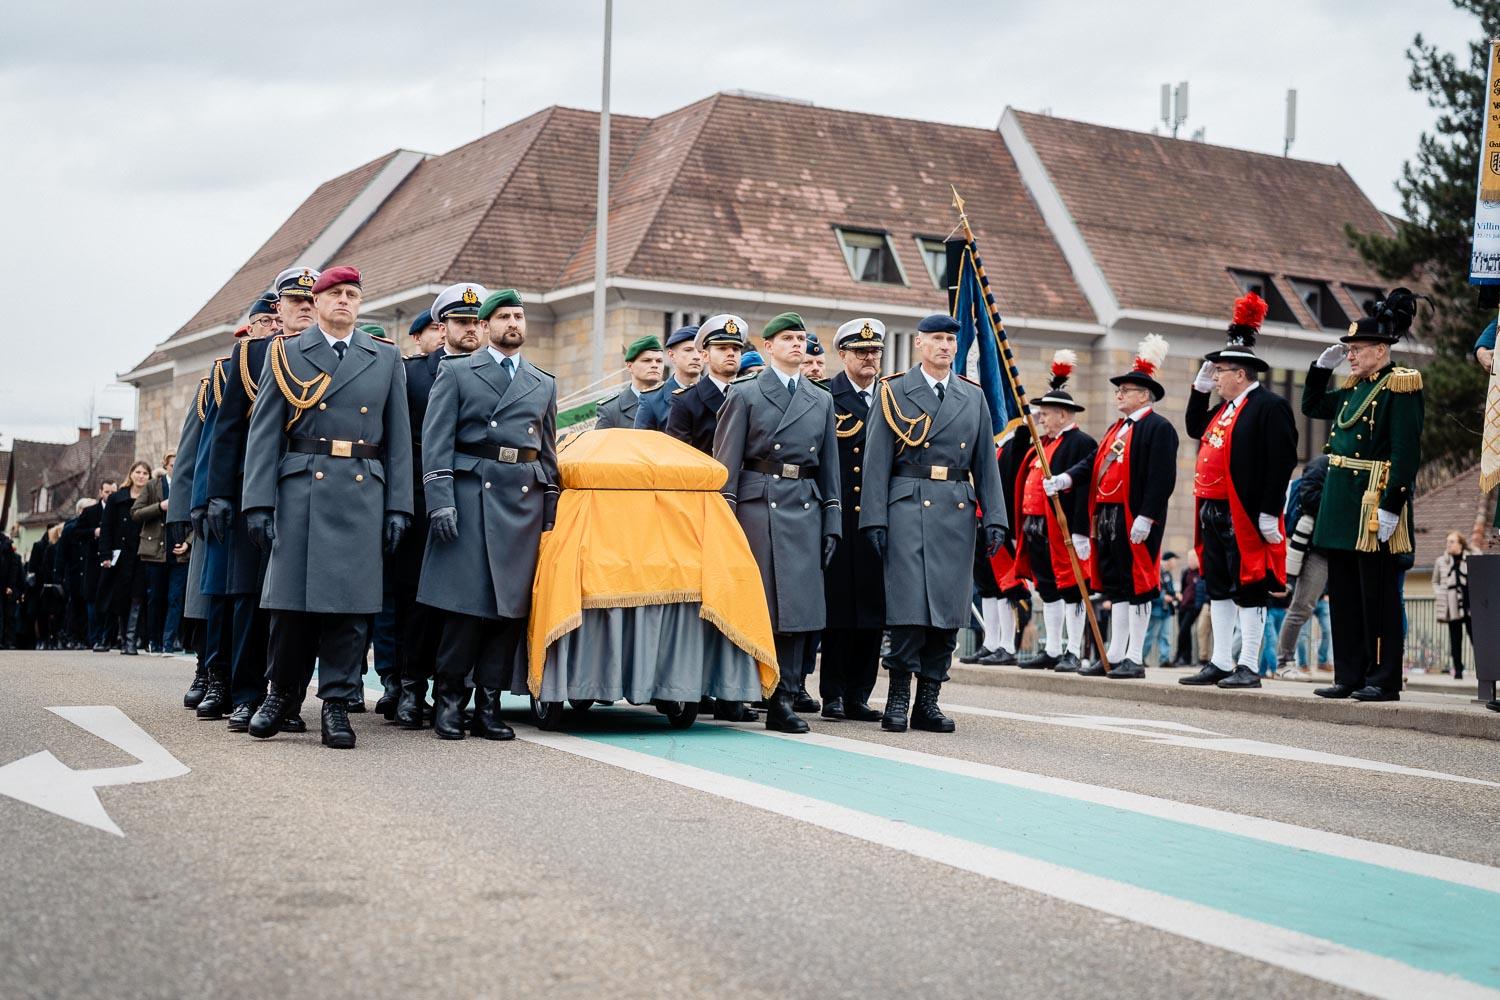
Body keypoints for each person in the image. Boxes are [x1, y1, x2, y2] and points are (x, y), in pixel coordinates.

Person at [242, 266, 414, 749]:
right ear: (315, 303)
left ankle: (337, 706)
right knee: (289, 608)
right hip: (300, 488)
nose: (344, 301)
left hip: (362, 491)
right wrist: (257, 501)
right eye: (334, 293)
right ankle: (282, 696)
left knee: (349, 610)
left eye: (352, 294)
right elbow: (265, 434)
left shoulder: (383, 358)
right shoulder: (287, 352)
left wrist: (398, 506)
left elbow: (399, 440)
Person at [411, 288, 558, 740]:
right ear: (487, 325)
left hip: (522, 502)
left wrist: (550, 514)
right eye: (504, 317)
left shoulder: (543, 381)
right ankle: (451, 701)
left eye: (519, 316)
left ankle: (490, 704)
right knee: (464, 608)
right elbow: (436, 441)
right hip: (472, 492)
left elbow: (549, 455)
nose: (513, 323)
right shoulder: (458, 372)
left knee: (507, 612)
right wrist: (441, 500)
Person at [860, 313, 1007, 732]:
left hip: (957, 511)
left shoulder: (972, 396)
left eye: (950, 340)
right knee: (908, 611)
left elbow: (985, 463)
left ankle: (928, 703)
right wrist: (874, 519)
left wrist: (995, 517)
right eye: (936, 339)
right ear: (920, 345)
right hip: (907, 507)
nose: (945, 346)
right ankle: (897, 699)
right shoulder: (894, 391)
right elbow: (876, 463)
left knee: (947, 613)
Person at [714, 311, 842, 733]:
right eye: (786, 338)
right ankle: (739, 690)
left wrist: (832, 519)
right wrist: (724, 517)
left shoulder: (821, 399)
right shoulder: (746, 393)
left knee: (798, 610)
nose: (796, 345)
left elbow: (830, 469)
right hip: (756, 505)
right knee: (758, 605)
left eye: (801, 339)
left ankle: (783, 697)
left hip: (804, 504)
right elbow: (726, 462)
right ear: (768, 347)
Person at [1302, 289, 1423, 703]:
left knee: (1379, 597)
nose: (1350, 356)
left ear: (1380, 349)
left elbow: (1405, 452)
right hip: (1341, 504)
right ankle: (1349, 674)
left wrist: (1393, 504)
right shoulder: (1354, 390)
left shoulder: (1399, 385)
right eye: (1348, 349)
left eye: (1356, 349)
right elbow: (1314, 405)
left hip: (1372, 502)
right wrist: (1321, 368)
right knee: (1346, 597)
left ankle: (1384, 678)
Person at [1179, 293, 1298, 690]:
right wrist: (1199, 389)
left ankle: (1248, 664)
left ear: (1241, 374)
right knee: (1219, 585)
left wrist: (1268, 510)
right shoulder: (1222, 408)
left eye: (1219, 372)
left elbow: (1281, 462)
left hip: (1245, 511)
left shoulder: (1269, 406)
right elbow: (1195, 426)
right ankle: (1220, 660)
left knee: (1250, 585)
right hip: (1213, 509)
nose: (1215, 377)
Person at [204, 282, 306, 731]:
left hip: (308, 491)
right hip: (255, 491)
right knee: (248, 597)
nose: (303, 308)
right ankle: (245, 695)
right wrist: (221, 494)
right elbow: (227, 432)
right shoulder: (251, 357)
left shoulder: (331, 354)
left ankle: (288, 699)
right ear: (277, 309)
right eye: (295, 302)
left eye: (310, 300)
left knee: (296, 602)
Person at [1046, 335, 1179, 678]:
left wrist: (1147, 516)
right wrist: (1065, 479)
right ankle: (1115, 655)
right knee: (1116, 586)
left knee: (1139, 586)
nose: (1119, 394)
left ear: (1144, 395)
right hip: (1107, 516)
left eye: (1127, 389)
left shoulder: (1158, 428)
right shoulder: (1116, 428)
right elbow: (1093, 462)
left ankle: (1135, 657)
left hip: (1135, 516)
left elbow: (1161, 478)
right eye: (1120, 389)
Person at [391, 282, 488, 727]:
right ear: (441, 325)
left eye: (476, 322)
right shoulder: (412, 374)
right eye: (461, 322)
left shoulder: (493, 373)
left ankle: (457, 691)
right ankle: (411, 688)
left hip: (474, 499)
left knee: (463, 602)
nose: (470, 329)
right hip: (419, 498)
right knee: (418, 601)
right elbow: (395, 441)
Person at [818, 318, 887, 721]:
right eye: (861, 352)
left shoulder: (891, 397)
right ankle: (834, 695)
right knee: (839, 610)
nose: (869, 358)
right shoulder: (827, 395)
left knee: (873, 612)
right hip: (840, 516)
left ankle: (861, 693)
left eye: (875, 351)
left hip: (876, 519)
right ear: (842, 355)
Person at [1013, 351, 1095, 672]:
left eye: (1046, 414)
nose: (1041, 419)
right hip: (1036, 525)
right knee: (1047, 589)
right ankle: (1052, 647)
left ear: (1063, 414)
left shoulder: (1081, 442)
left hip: (1062, 527)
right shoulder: (1040, 443)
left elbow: (1085, 488)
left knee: (1071, 589)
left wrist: (1080, 530)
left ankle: (1072, 650)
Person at [1275, 454, 1330, 679]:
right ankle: (1284, 661)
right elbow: (1310, 501)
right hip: (1318, 548)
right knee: (1301, 606)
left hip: (1339, 548)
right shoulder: (1321, 464)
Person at [665, 315, 744, 456]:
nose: (731, 353)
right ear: (705, 356)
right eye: (722, 348)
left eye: (736, 349)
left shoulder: (752, 395)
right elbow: (679, 456)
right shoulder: (686, 400)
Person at [98, 461, 151, 654]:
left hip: (142, 553)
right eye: (138, 472)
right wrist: (105, 554)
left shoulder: (151, 498)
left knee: (137, 596)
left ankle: (130, 641)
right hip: (120, 554)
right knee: (121, 597)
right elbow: (107, 528)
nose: (141, 476)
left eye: (145, 473)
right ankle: (120, 638)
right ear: (131, 474)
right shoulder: (117, 498)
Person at [130, 456, 173, 654]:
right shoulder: (152, 486)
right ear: (166, 466)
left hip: (178, 551)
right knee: (155, 598)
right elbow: (136, 513)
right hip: (154, 550)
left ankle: (170, 641)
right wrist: (160, 507)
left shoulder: (186, 482)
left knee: (175, 599)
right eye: (173, 464)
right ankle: (153, 640)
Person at [635, 325, 701, 431]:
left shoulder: (717, 392)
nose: (697, 357)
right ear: (671, 356)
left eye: (700, 351)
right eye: (688, 350)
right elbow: (642, 444)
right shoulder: (652, 400)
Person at [1434, 530, 1477, 680]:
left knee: (1476, 638)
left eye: (1452, 541)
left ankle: (1482, 669)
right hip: (1452, 607)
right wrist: (1439, 593)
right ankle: (1458, 670)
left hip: (1471, 606)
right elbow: (1435, 581)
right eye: (1447, 541)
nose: (1448, 544)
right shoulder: (1441, 561)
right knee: (1455, 639)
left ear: (1460, 543)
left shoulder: (1472, 557)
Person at [595, 336, 664, 429]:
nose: (655, 365)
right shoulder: (610, 410)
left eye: (659, 361)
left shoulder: (675, 401)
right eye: (647, 360)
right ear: (630, 366)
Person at [82, 479, 116, 649]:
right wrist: (94, 532)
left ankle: (107, 637)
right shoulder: (90, 512)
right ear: (100, 492)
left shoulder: (118, 508)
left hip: (113, 560)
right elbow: (77, 532)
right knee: (93, 602)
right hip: (94, 562)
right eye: (107, 492)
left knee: (109, 600)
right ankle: (94, 637)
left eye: (113, 492)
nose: (110, 495)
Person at [1145, 552, 1180, 667]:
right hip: (1156, 610)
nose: (1176, 563)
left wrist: (1175, 595)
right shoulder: (1156, 571)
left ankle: (1164, 659)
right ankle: (1139, 658)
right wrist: (1162, 597)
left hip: (1166, 610)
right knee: (1150, 635)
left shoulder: (1168, 574)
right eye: (1175, 560)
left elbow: (1170, 590)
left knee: (1165, 635)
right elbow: (1151, 591)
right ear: (1169, 560)